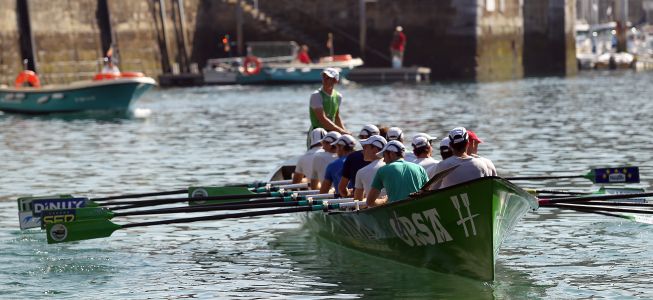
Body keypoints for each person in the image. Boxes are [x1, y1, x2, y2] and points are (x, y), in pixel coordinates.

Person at [366, 141, 428, 207]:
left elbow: (370, 202)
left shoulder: (383, 170)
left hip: (397, 212)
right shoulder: (419, 168)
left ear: (392, 154)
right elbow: (428, 193)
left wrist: (384, 200)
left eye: (384, 156)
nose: (383, 160)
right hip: (419, 209)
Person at [308, 68, 348, 146]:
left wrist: (345, 133)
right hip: (317, 134)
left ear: (335, 81)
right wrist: (341, 131)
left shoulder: (338, 96)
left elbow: (336, 117)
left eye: (328, 78)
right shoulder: (316, 95)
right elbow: (322, 119)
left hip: (332, 133)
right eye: (324, 77)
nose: (325, 80)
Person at [337, 124, 379, 197]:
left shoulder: (352, 157)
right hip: (384, 199)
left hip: (359, 200)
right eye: (361, 137)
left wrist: (348, 195)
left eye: (362, 137)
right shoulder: (388, 157)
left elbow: (341, 188)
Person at [354, 135, 387, 200]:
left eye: (365, 147)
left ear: (375, 150)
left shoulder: (361, 172)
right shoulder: (393, 166)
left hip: (374, 208)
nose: (362, 151)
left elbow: (357, 201)